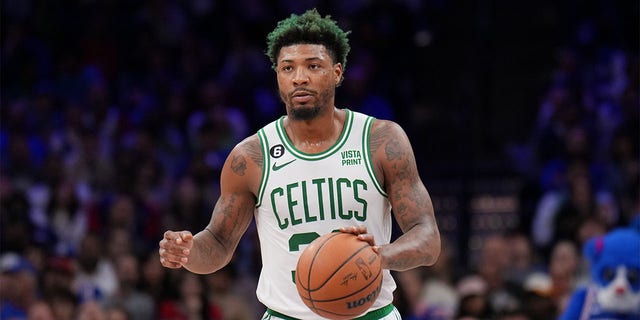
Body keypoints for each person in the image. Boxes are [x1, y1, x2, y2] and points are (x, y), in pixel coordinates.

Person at [159, 8, 441, 319]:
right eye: (287, 68)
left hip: (371, 313)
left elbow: (427, 239)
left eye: (313, 65)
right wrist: (189, 251)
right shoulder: (252, 156)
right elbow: (219, 243)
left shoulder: (381, 140)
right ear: (278, 76)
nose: (299, 77)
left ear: (336, 72)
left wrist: (377, 256)